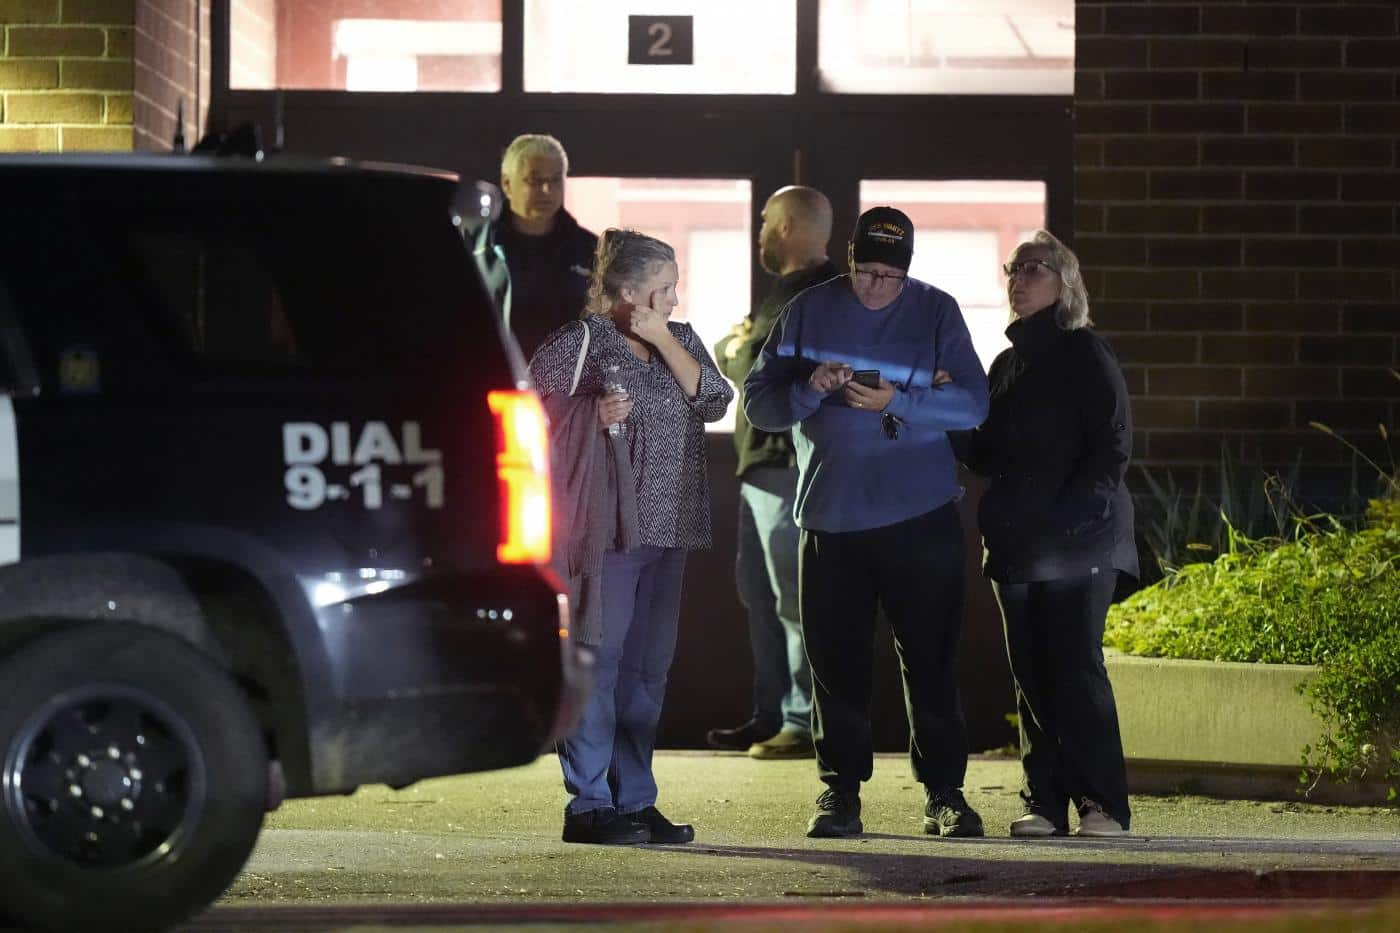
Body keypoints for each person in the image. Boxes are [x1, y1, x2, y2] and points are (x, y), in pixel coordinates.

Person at [744, 206, 990, 839]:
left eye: (891, 277)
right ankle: (840, 792)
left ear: (907, 272)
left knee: (930, 662)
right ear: (848, 259)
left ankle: (945, 793)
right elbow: (759, 405)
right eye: (867, 273)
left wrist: (897, 401)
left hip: (922, 514)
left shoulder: (935, 310)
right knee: (836, 666)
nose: (878, 287)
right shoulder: (808, 309)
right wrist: (809, 387)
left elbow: (973, 404)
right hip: (833, 518)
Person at [529, 229, 733, 846]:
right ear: (626, 292)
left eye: (674, 287)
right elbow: (525, 414)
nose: (674, 299)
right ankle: (589, 806)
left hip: (673, 528)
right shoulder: (581, 342)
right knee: (598, 664)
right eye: (663, 288)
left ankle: (636, 801)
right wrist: (588, 415)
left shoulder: (682, 339)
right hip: (609, 530)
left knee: (647, 672)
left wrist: (664, 338)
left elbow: (716, 401)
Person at [950, 231, 1137, 838]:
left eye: (1036, 268)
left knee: (1075, 670)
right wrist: (944, 412)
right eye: (1014, 268)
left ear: (1066, 284)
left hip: (1081, 544)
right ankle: (1046, 803)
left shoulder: (1086, 352)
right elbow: (985, 454)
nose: (1020, 279)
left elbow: (1111, 449)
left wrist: (1071, 524)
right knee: (1031, 677)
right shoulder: (1006, 365)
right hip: (1018, 546)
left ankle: (1102, 804)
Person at [706, 186, 838, 760]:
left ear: (786, 226)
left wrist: (740, 350)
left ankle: (801, 721)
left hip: (788, 466)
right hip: (760, 468)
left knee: (792, 598)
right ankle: (770, 715)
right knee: (759, 595)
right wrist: (740, 348)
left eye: (766, 221)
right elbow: (740, 351)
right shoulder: (784, 293)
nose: (759, 231)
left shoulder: (823, 295)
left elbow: (750, 363)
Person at [488, 134, 598, 359]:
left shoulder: (591, 251)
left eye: (556, 180)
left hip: (570, 375)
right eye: (534, 180)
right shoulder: (480, 247)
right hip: (495, 371)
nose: (547, 190)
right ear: (507, 184)